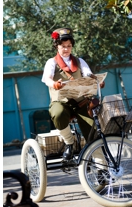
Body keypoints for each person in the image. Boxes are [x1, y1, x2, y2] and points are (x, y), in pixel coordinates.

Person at [41, 28, 103, 160]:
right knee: (57, 113)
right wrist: (55, 84)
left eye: (69, 46)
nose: (66, 49)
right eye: (63, 46)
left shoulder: (80, 61)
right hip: (61, 102)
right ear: (57, 46)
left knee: (93, 133)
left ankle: (101, 167)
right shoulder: (51, 62)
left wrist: (97, 82)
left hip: (81, 102)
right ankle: (69, 142)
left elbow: (88, 75)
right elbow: (47, 79)